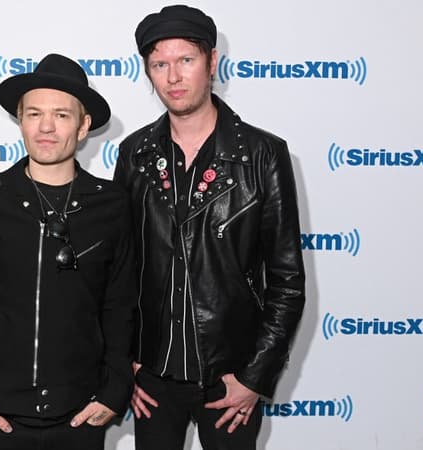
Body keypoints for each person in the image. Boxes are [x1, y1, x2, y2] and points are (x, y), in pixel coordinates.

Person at [113, 5, 306, 450]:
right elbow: (119, 269)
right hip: (154, 379)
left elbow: (287, 280)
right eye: (159, 64)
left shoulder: (262, 154)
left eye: (186, 60)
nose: (173, 76)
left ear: (212, 62)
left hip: (230, 377)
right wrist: (127, 364)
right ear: (148, 72)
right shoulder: (134, 154)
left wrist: (254, 377)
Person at [0, 53, 136, 450]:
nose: (46, 127)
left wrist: (114, 391)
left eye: (62, 115)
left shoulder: (111, 204)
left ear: (83, 127)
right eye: (34, 114)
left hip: (79, 418)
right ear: (21, 120)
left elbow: (120, 307)